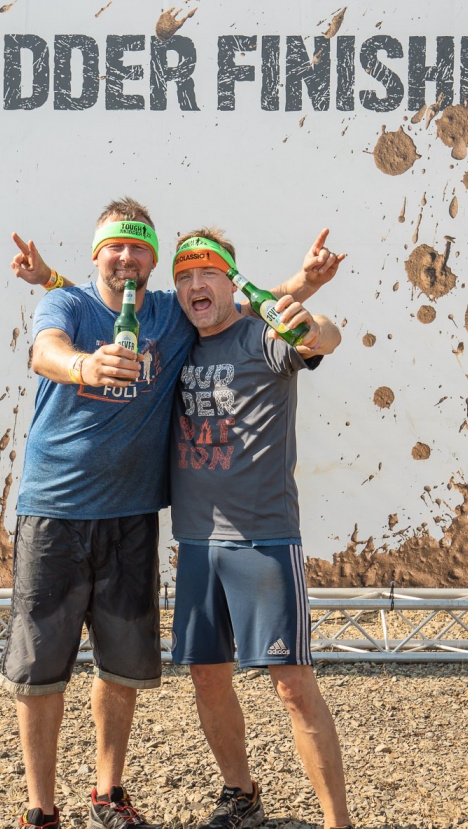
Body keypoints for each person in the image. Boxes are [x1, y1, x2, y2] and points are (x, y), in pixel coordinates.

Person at [5, 201, 342, 829]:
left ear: (152, 260)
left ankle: (109, 795)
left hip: (152, 519)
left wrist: (311, 298)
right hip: (62, 511)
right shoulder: (70, 304)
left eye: (139, 249)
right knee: (44, 668)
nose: (127, 258)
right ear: (97, 253)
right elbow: (45, 349)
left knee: (125, 667)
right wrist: (82, 362)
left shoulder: (174, 315)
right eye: (115, 247)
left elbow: (266, 312)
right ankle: (41, 810)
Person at [168, 229, 354, 829]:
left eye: (208, 273)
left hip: (264, 539)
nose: (196, 285)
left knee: (292, 685)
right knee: (206, 677)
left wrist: (315, 326)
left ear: (232, 282)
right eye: (184, 277)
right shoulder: (175, 343)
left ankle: (337, 822)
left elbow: (320, 335)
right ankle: (241, 795)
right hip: (196, 542)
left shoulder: (261, 334)